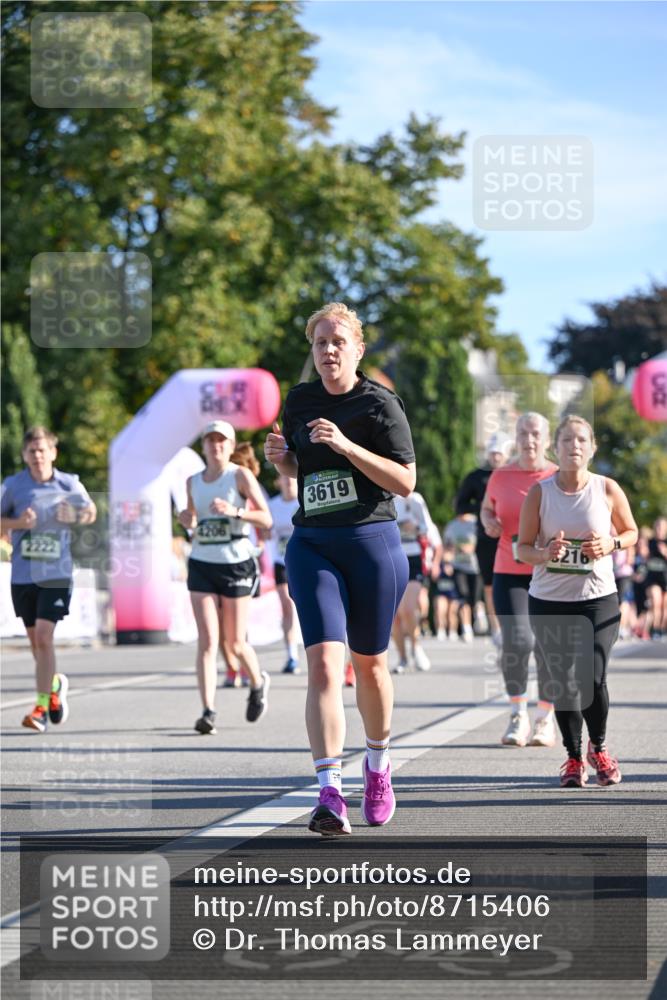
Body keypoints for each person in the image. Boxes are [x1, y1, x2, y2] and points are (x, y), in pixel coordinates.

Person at [264, 302, 415, 836]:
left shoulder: (379, 404)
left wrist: (347, 445)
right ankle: (329, 791)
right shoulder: (299, 400)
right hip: (313, 544)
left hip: (371, 542)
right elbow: (299, 470)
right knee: (326, 667)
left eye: (337, 342)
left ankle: (377, 766)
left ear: (357, 349)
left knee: (369, 664)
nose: (328, 350)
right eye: (320, 342)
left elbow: (405, 482)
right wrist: (280, 456)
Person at [517, 414, 638, 787]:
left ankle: (598, 748)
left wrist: (611, 543)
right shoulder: (540, 492)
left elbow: (631, 531)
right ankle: (573, 758)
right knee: (562, 682)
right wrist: (546, 553)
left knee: (592, 675)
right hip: (549, 601)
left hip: (597, 599)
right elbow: (522, 548)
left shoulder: (606, 489)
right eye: (567, 440)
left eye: (582, 440)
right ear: (556, 447)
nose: (575, 447)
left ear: (592, 447)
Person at [0, 426, 97, 732]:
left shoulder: (69, 483)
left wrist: (76, 516)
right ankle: (54, 685)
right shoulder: (13, 485)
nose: (38, 455)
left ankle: (41, 708)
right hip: (23, 574)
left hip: (56, 573)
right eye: (32, 451)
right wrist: (18, 522)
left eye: (43, 450)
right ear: (24, 455)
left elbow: (91, 512)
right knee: (36, 644)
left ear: (53, 453)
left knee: (44, 637)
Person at [179, 420, 272, 734]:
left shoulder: (239, 476)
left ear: (231, 447)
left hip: (236, 561)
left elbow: (266, 518)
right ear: (203, 446)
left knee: (234, 642)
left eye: (222, 441)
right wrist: (187, 518)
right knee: (207, 641)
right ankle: (208, 711)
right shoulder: (193, 481)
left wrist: (236, 512)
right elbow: (192, 518)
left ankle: (258, 683)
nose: (215, 446)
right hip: (203, 561)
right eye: (210, 441)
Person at [480, 413, 558, 747]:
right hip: (509, 569)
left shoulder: (558, 476)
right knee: (517, 641)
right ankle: (518, 713)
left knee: (549, 648)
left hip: (551, 574)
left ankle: (545, 718)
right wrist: (489, 522)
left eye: (536, 433)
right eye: (523, 433)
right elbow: (487, 508)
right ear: (515, 437)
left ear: (548, 439)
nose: (529, 440)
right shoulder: (501, 475)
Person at [456, 433, 513, 645]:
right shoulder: (476, 477)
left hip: (514, 537)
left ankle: (517, 626)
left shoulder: (515, 473)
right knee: (490, 585)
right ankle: (496, 628)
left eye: (500, 453)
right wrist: (482, 509)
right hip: (486, 537)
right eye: (493, 453)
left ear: (507, 454)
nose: (496, 457)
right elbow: (460, 505)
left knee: (518, 582)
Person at [392, 491, 436, 672]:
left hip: (413, 557)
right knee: (394, 615)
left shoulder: (414, 499)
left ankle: (416, 647)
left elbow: (427, 528)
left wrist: (414, 527)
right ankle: (402, 658)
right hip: (390, 556)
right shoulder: (379, 496)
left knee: (408, 608)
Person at [268, 474, 300, 673]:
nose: (288, 483)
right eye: (284, 479)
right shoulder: (273, 505)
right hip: (281, 560)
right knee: (287, 606)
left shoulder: (303, 501)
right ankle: (291, 654)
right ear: (278, 482)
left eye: (291, 479)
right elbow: (267, 533)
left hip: (304, 559)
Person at [442, 512, 480, 643]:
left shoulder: (476, 522)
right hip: (458, 566)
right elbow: (446, 546)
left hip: (475, 568)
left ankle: (477, 617)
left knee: (473, 600)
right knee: (463, 597)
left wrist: (472, 548)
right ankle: (466, 628)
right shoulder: (452, 526)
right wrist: (447, 562)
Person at [433, 540, 461, 640]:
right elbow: (434, 577)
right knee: (440, 610)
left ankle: (452, 631)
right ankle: (441, 630)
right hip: (441, 591)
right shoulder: (438, 564)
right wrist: (441, 570)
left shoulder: (457, 564)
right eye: (446, 551)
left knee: (452, 613)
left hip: (453, 592)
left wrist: (453, 571)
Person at [646, 516, 667, 639]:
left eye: (662, 527)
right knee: (656, 601)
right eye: (657, 526)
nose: (659, 529)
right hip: (653, 577)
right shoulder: (650, 542)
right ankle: (654, 629)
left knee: (664, 606)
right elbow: (644, 557)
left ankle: (662, 629)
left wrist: (664, 552)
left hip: (665, 577)